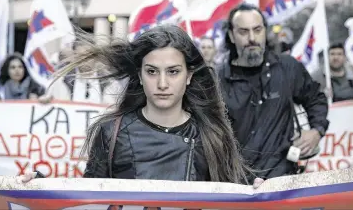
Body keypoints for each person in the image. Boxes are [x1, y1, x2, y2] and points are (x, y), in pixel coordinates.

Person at [19, 25, 263, 188]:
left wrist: (259, 191)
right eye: (152, 71)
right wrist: (41, 187)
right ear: (140, 74)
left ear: (189, 75)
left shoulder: (212, 135)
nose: (163, 83)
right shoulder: (110, 132)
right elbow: (90, 198)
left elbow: (233, 194)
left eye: (173, 72)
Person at [217, 3, 329, 182]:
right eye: (243, 32)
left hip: (282, 183)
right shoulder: (217, 79)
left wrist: (316, 131)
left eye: (257, 29)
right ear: (231, 35)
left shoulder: (287, 67)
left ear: (265, 31)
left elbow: (316, 98)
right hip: (236, 186)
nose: (252, 38)